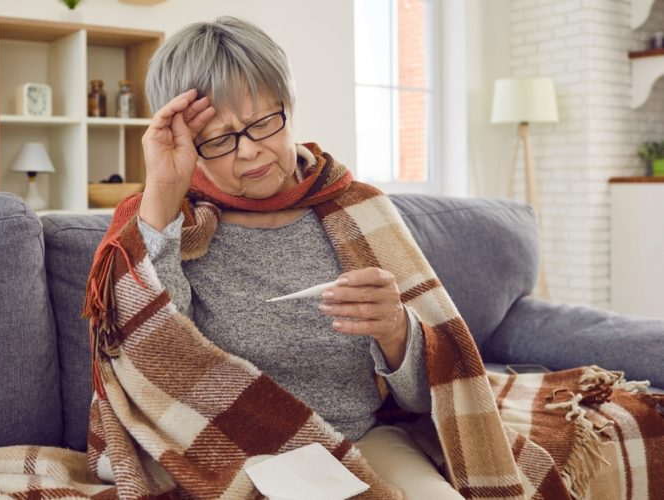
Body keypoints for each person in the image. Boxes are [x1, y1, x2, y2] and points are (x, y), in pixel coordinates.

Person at [124, 16, 463, 499]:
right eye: (218, 140)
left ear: (287, 106)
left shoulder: (359, 212)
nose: (249, 152)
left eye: (263, 122)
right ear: (187, 145)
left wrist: (396, 331)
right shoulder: (174, 228)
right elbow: (157, 365)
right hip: (235, 457)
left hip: (360, 438)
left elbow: (425, 400)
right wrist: (160, 192)